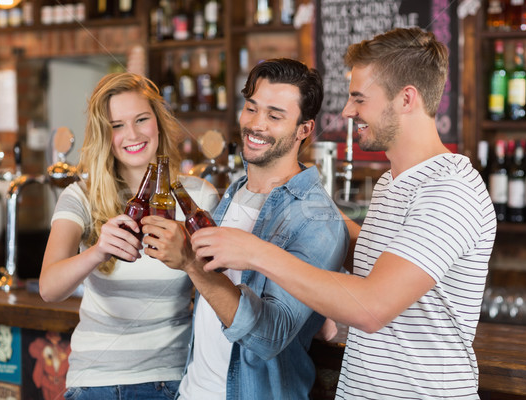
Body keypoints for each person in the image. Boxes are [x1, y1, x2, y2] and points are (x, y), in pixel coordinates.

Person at [190, 27, 497, 399]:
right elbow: (370, 257)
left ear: (406, 99)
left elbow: (371, 306)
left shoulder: (450, 189)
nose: (348, 111)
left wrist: (254, 251)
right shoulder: (392, 184)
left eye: (360, 99)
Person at [142, 58, 350, 399]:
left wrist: (190, 264)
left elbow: (269, 337)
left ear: (305, 130)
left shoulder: (317, 220)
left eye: (274, 115)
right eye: (251, 108)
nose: (256, 124)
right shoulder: (236, 189)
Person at [39, 72, 218, 400]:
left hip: (172, 380)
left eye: (141, 119)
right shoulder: (81, 196)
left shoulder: (198, 197)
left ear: (159, 124)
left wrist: (189, 258)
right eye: (116, 125)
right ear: (103, 135)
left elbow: (219, 288)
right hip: (95, 383)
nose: (131, 134)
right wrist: (97, 251)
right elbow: (49, 288)